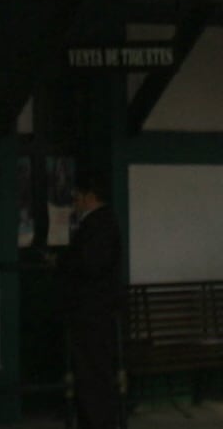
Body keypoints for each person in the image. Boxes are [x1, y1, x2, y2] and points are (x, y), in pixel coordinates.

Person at [61, 173, 126, 429]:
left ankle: (96, 422)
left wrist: (64, 262)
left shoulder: (97, 225)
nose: (74, 202)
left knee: (91, 374)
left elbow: (89, 264)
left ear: (89, 197)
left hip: (91, 312)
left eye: (77, 197)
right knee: (94, 373)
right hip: (97, 311)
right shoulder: (105, 223)